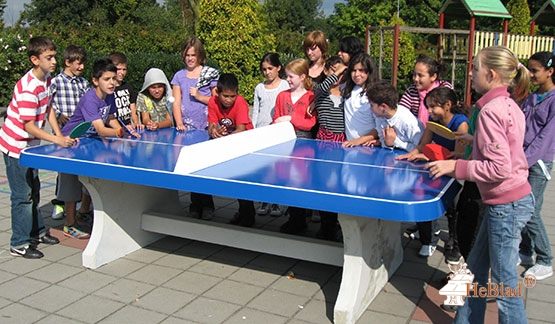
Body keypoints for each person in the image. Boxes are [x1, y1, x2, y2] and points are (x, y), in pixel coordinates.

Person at [427, 46, 533, 324]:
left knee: (504, 283)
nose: (470, 73)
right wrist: (476, 142)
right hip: (507, 202)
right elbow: (510, 149)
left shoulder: (491, 111)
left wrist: (455, 166)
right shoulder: (510, 105)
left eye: (474, 67)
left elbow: (499, 168)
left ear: (491, 74)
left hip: (506, 206)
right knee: (474, 267)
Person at [0, 37, 76, 259]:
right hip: (15, 147)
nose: (54, 61)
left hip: (30, 146)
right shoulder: (27, 89)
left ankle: (37, 232)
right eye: (49, 58)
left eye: (54, 56)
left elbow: (49, 108)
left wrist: (59, 134)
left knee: (34, 190)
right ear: (35, 59)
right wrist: (56, 141)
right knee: (22, 196)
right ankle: (19, 243)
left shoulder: (48, 80)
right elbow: (29, 126)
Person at [60, 58, 139, 239]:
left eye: (113, 79)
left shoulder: (109, 95)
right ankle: (69, 224)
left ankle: (84, 213)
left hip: (88, 142)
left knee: (92, 179)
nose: (112, 83)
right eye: (107, 79)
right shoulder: (90, 99)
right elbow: (102, 130)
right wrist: (119, 132)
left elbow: (110, 118)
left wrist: (125, 129)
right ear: (96, 80)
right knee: (71, 184)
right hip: (71, 142)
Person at [397, 87, 469, 258]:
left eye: (433, 107)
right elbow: (423, 144)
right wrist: (412, 154)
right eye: (427, 107)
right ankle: (428, 237)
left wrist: (435, 160)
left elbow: (458, 154)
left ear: (447, 105)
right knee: (431, 200)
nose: (429, 111)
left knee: (456, 210)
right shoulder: (432, 119)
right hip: (438, 165)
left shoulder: (461, 123)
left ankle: (455, 243)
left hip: (455, 169)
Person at [172, 36, 219, 220]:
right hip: (188, 130)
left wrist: (199, 96)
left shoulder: (209, 74)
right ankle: (194, 204)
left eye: (194, 55)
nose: (190, 58)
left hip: (206, 128)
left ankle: (208, 204)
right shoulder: (178, 76)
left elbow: (216, 101)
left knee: (205, 168)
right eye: (187, 55)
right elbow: (176, 102)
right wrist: (179, 122)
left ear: (200, 56)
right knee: (191, 169)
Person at [519, 51, 554, 281]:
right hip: (522, 159)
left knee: (529, 210)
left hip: (538, 163)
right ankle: (525, 251)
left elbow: (545, 138)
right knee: (525, 207)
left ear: (550, 71)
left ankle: (545, 259)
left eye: (535, 70)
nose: (531, 74)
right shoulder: (532, 97)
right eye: (529, 69)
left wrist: (524, 161)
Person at [48, 45, 91, 221]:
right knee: (63, 171)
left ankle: (78, 206)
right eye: (78, 64)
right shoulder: (55, 81)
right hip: (62, 131)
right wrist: (59, 115)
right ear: (67, 62)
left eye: (83, 64)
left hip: (80, 131)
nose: (81, 67)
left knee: (77, 170)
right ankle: (59, 203)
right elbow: (48, 103)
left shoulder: (83, 83)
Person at [273, 58, 316, 234]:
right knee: (288, 181)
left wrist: (290, 119)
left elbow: (310, 123)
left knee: (301, 182)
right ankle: (294, 217)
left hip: (303, 145)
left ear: (303, 76)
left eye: (291, 76)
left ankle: (300, 218)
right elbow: (276, 117)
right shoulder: (282, 96)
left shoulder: (311, 97)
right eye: (287, 76)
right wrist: (279, 122)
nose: (288, 79)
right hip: (285, 143)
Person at [207, 73, 256, 226]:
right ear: (218, 92)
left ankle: (248, 215)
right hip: (227, 144)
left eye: (232, 96)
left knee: (243, 180)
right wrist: (214, 131)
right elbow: (211, 125)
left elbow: (241, 129)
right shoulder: (212, 102)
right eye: (225, 96)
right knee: (233, 181)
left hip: (245, 144)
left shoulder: (241, 102)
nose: (229, 100)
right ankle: (242, 212)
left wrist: (224, 138)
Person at [252, 53, 289, 216]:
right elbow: (255, 111)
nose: (267, 72)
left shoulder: (285, 86)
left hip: (278, 133)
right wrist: (253, 129)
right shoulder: (259, 88)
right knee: (264, 169)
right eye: (264, 69)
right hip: (261, 133)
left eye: (270, 68)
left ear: (278, 68)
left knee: (279, 168)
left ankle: (277, 202)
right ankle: (264, 201)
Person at [367, 81, 423, 151]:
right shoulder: (380, 117)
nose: (370, 108)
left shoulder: (408, 122)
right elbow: (384, 140)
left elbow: (421, 149)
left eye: (372, 105)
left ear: (383, 107)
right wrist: (384, 143)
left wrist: (395, 142)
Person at [399, 55, 453, 126]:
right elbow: (401, 113)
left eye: (420, 75)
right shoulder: (412, 91)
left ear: (433, 77)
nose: (416, 79)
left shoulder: (444, 88)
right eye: (414, 75)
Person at [342, 53, 380, 147]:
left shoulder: (376, 93)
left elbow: (381, 125)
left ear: (369, 71)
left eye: (361, 70)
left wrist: (360, 140)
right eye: (354, 70)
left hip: (367, 148)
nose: (357, 74)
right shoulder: (347, 89)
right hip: (349, 146)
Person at [108, 52, 141, 131]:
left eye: (124, 69)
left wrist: (136, 123)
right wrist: (121, 128)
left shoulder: (128, 87)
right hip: (114, 129)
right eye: (118, 69)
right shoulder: (108, 90)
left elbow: (133, 111)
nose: (122, 73)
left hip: (130, 128)